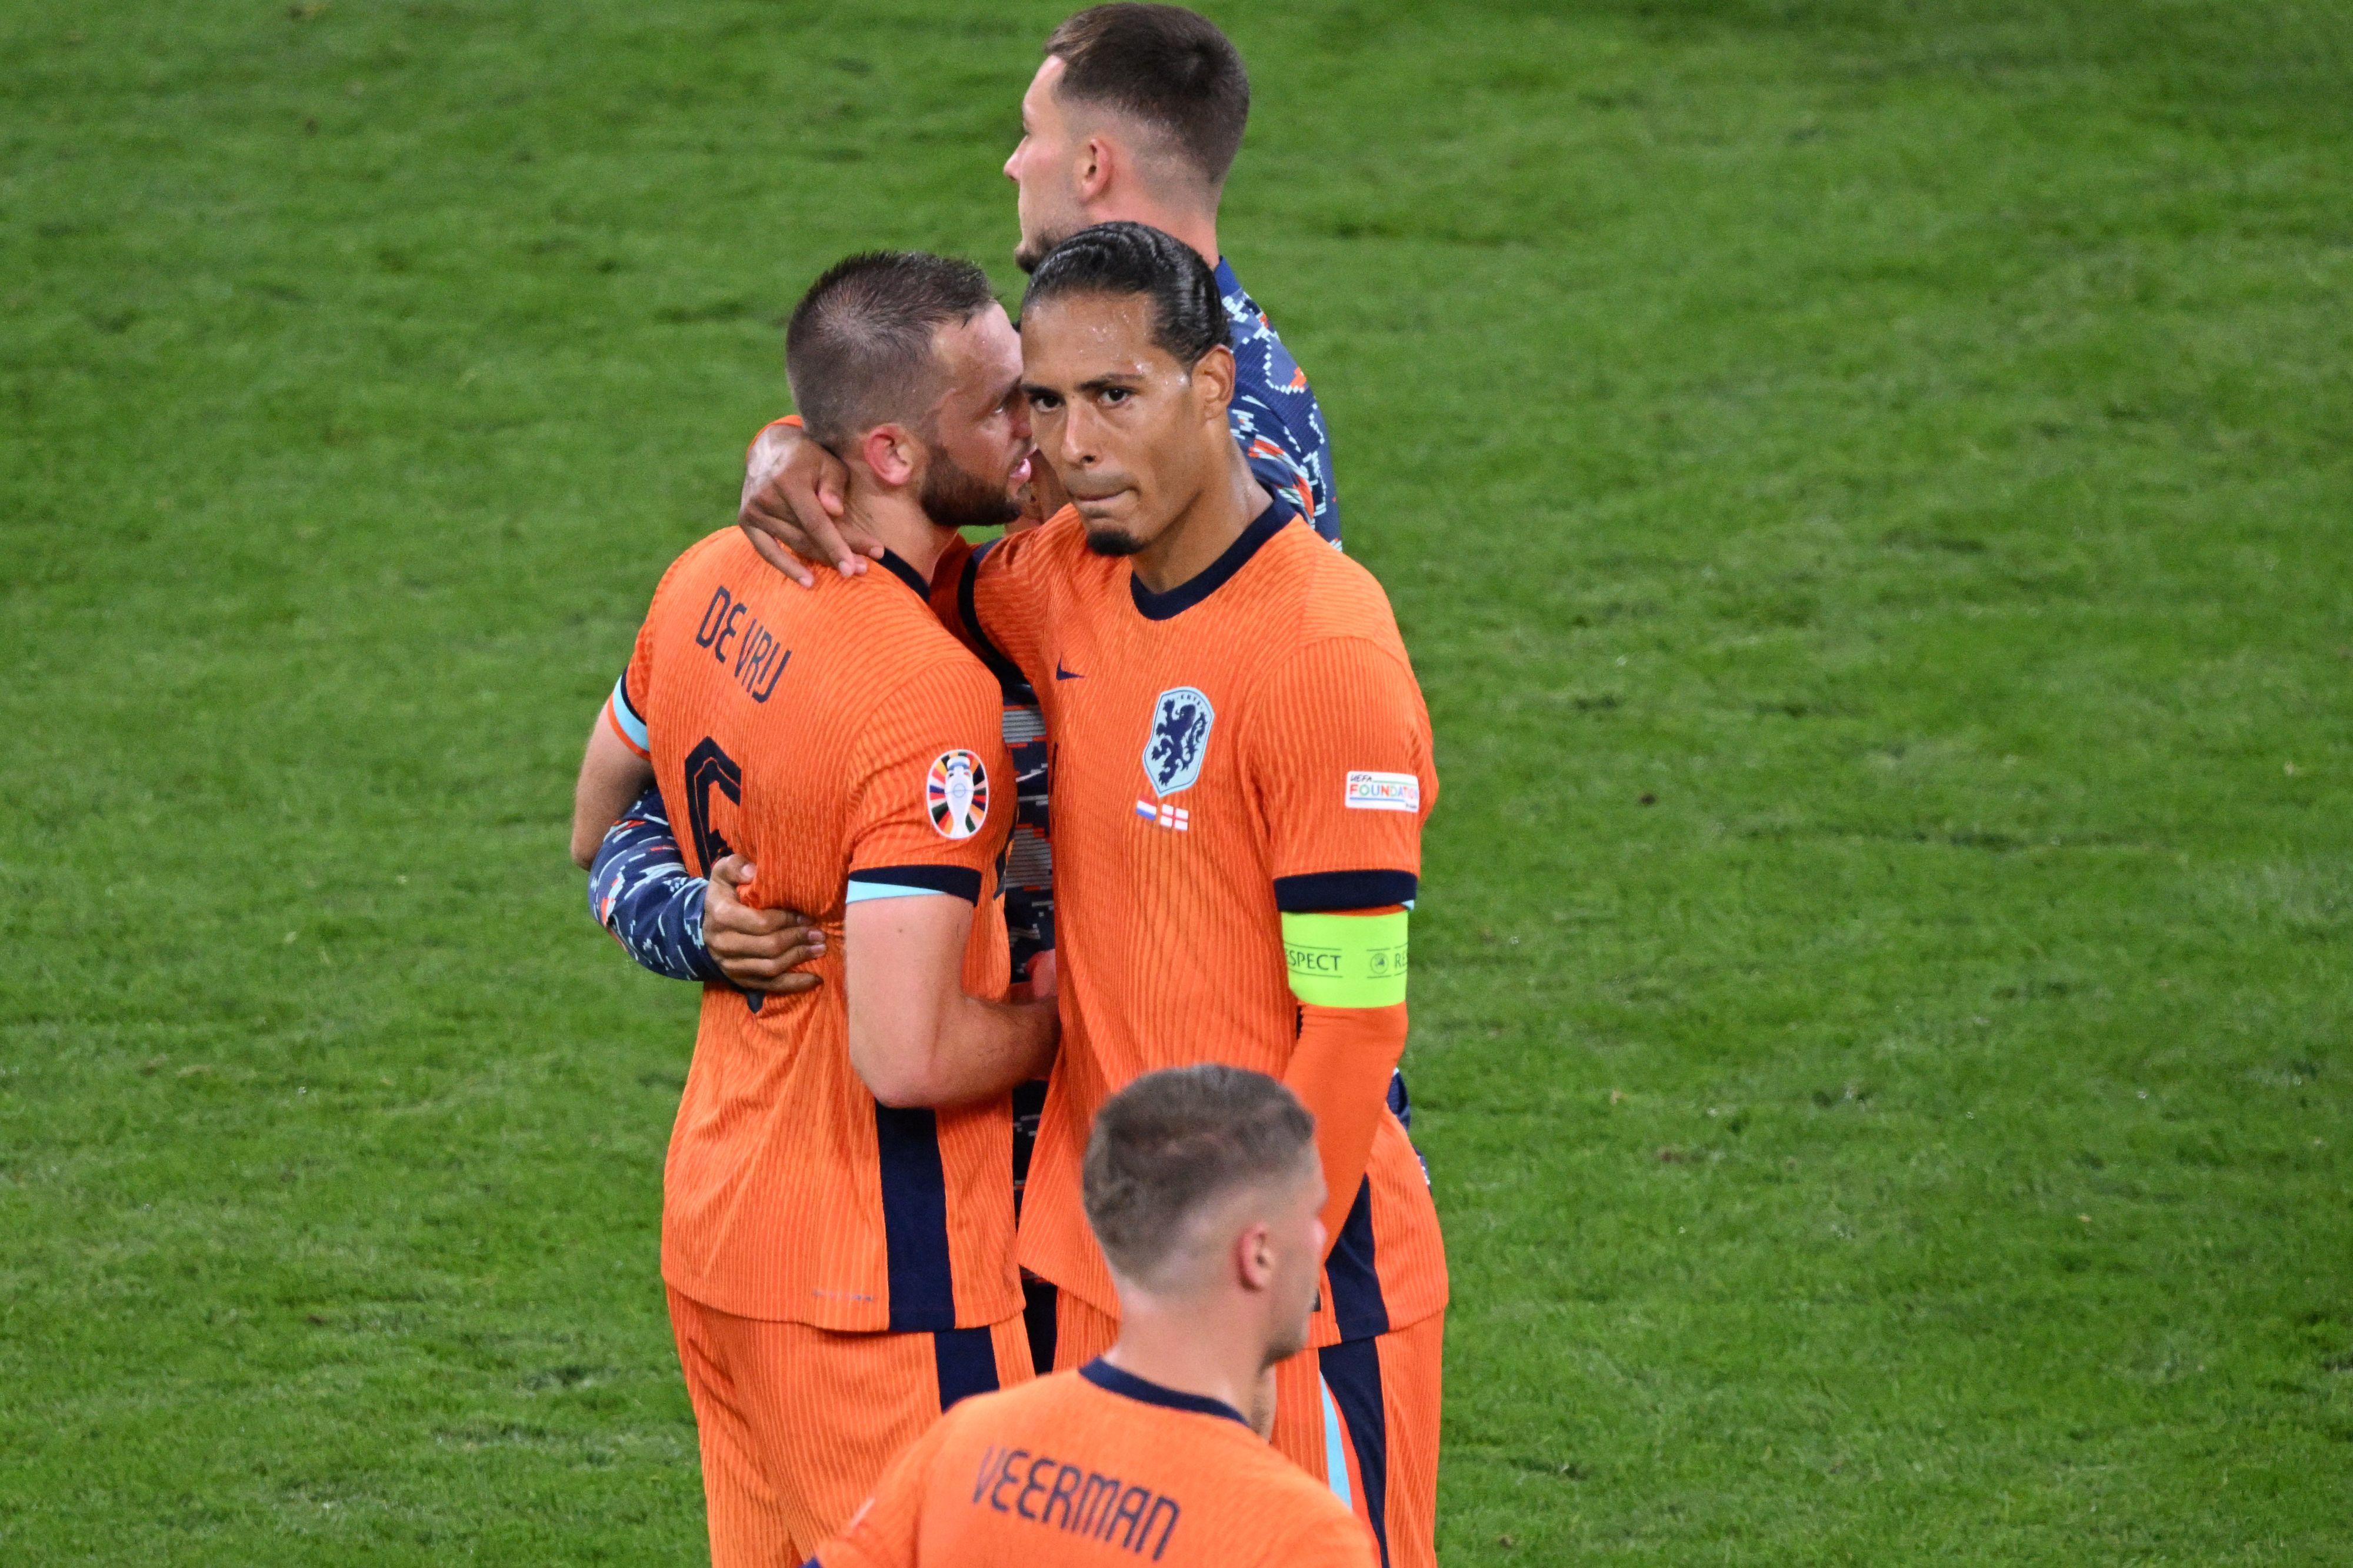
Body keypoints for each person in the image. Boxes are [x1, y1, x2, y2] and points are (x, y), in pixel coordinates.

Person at [568, 251, 1060, 1567]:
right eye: (1007, 405)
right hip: (879, 1281)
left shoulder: (707, 574)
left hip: (721, 1227)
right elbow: (903, 1057)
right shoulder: (923, 698)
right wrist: (1064, 1019)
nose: (1036, 430)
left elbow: (594, 819)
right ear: (894, 451)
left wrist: (687, 916)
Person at [808, 1066, 1378, 1568]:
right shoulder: (1299, 1536)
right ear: (1258, 1254)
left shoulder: (967, 1441)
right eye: (1310, 1212)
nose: (1321, 1234)